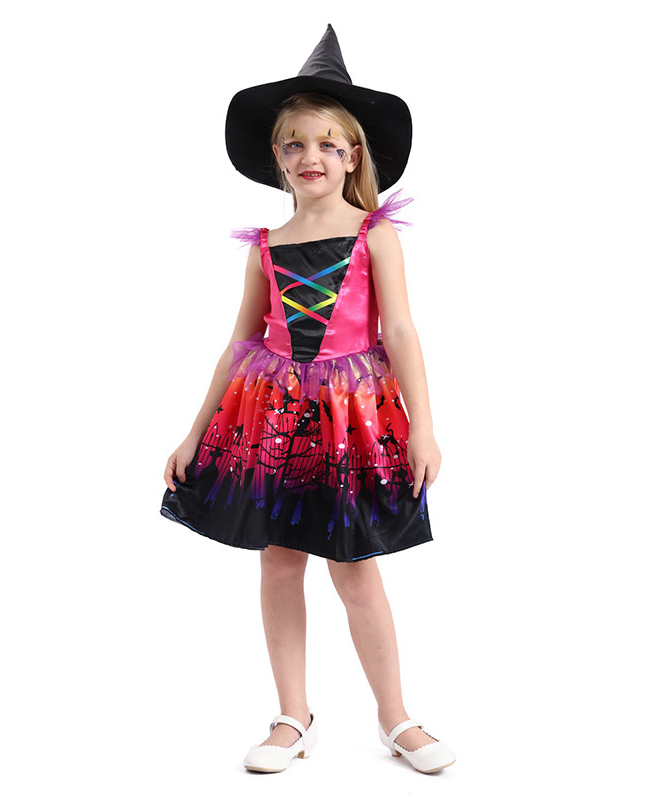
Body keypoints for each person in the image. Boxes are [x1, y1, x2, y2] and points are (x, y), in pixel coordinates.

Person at [160, 25, 455, 775]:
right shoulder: (265, 245)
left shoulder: (374, 235)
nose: (309, 156)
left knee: (355, 568)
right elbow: (237, 344)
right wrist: (193, 435)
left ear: (353, 155)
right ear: (277, 158)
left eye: (327, 143)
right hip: (271, 420)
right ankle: (293, 715)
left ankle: (396, 716)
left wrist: (424, 428)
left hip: (352, 422)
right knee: (279, 562)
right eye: (293, 145)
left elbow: (400, 330)